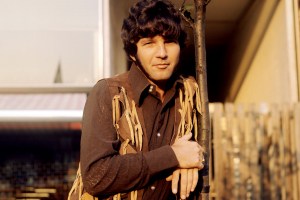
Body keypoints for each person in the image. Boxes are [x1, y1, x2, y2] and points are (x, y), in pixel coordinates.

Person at [80, 0, 205, 199]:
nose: (162, 53)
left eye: (170, 42)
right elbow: (96, 176)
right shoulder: (109, 93)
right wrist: (173, 156)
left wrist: (191, 161)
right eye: (149, 43)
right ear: (132, 52)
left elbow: (197, 154)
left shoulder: (189, 94)